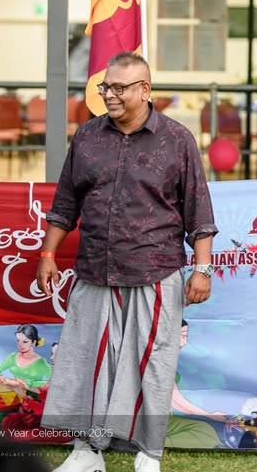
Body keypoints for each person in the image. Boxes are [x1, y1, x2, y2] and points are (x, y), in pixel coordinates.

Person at [36, 52, 218, 472]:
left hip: (155, 271)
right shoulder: (86, 137)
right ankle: (86, 451)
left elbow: (199, 212)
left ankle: (148, 454)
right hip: (94, 270)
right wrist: (48, 253)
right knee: (86, 361)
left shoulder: (177, 139)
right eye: (105, 87)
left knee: (153, 365)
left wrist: (202, 269)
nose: (109, 96)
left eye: (119, 88)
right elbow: (65, 205)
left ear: (144, 90)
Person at [0, 324, 53, 393]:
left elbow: (55, 382)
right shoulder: (13, 356)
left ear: (33, 342)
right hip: (13, 392)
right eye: (18, 341)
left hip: (32, 395)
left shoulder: (41, 363)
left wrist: (29, 383)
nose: (20, 344)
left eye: (25, 342)